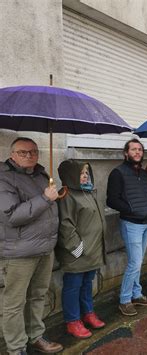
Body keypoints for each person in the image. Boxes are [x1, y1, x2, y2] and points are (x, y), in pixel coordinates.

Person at [0, 137, 63, 355]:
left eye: (33, 152)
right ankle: (16, 348)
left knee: (38, 296)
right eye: (23, 152)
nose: (29, 156)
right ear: (12, 155)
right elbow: (12, 216)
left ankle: (35, 336)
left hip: (45, 249)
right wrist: (46, 198)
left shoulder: (41, 174)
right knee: (14, 304)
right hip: (18, 254)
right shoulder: (4, 178)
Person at [56, 160, 106, 339]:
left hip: (92, 251)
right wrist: (78, 248)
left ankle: (88, 313)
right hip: (77, 253)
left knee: (86, 284)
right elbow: (65, 225)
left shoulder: (88, 192)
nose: (85, 176)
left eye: (86, 172)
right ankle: (72, 321)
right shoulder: (66, 195)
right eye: (81, 173)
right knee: (73, 286)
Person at [107, 139, 147, 317]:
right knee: (134, 263)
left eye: (140, 150)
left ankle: (136, 294)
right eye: (133, 149)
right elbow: (111, 199)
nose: (137, 152)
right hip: (131, 224)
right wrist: (132, 210)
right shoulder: (118, 173)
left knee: (138, 262)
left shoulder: (143, 174)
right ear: (125, 153)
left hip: (146, 223)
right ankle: (125, 300)